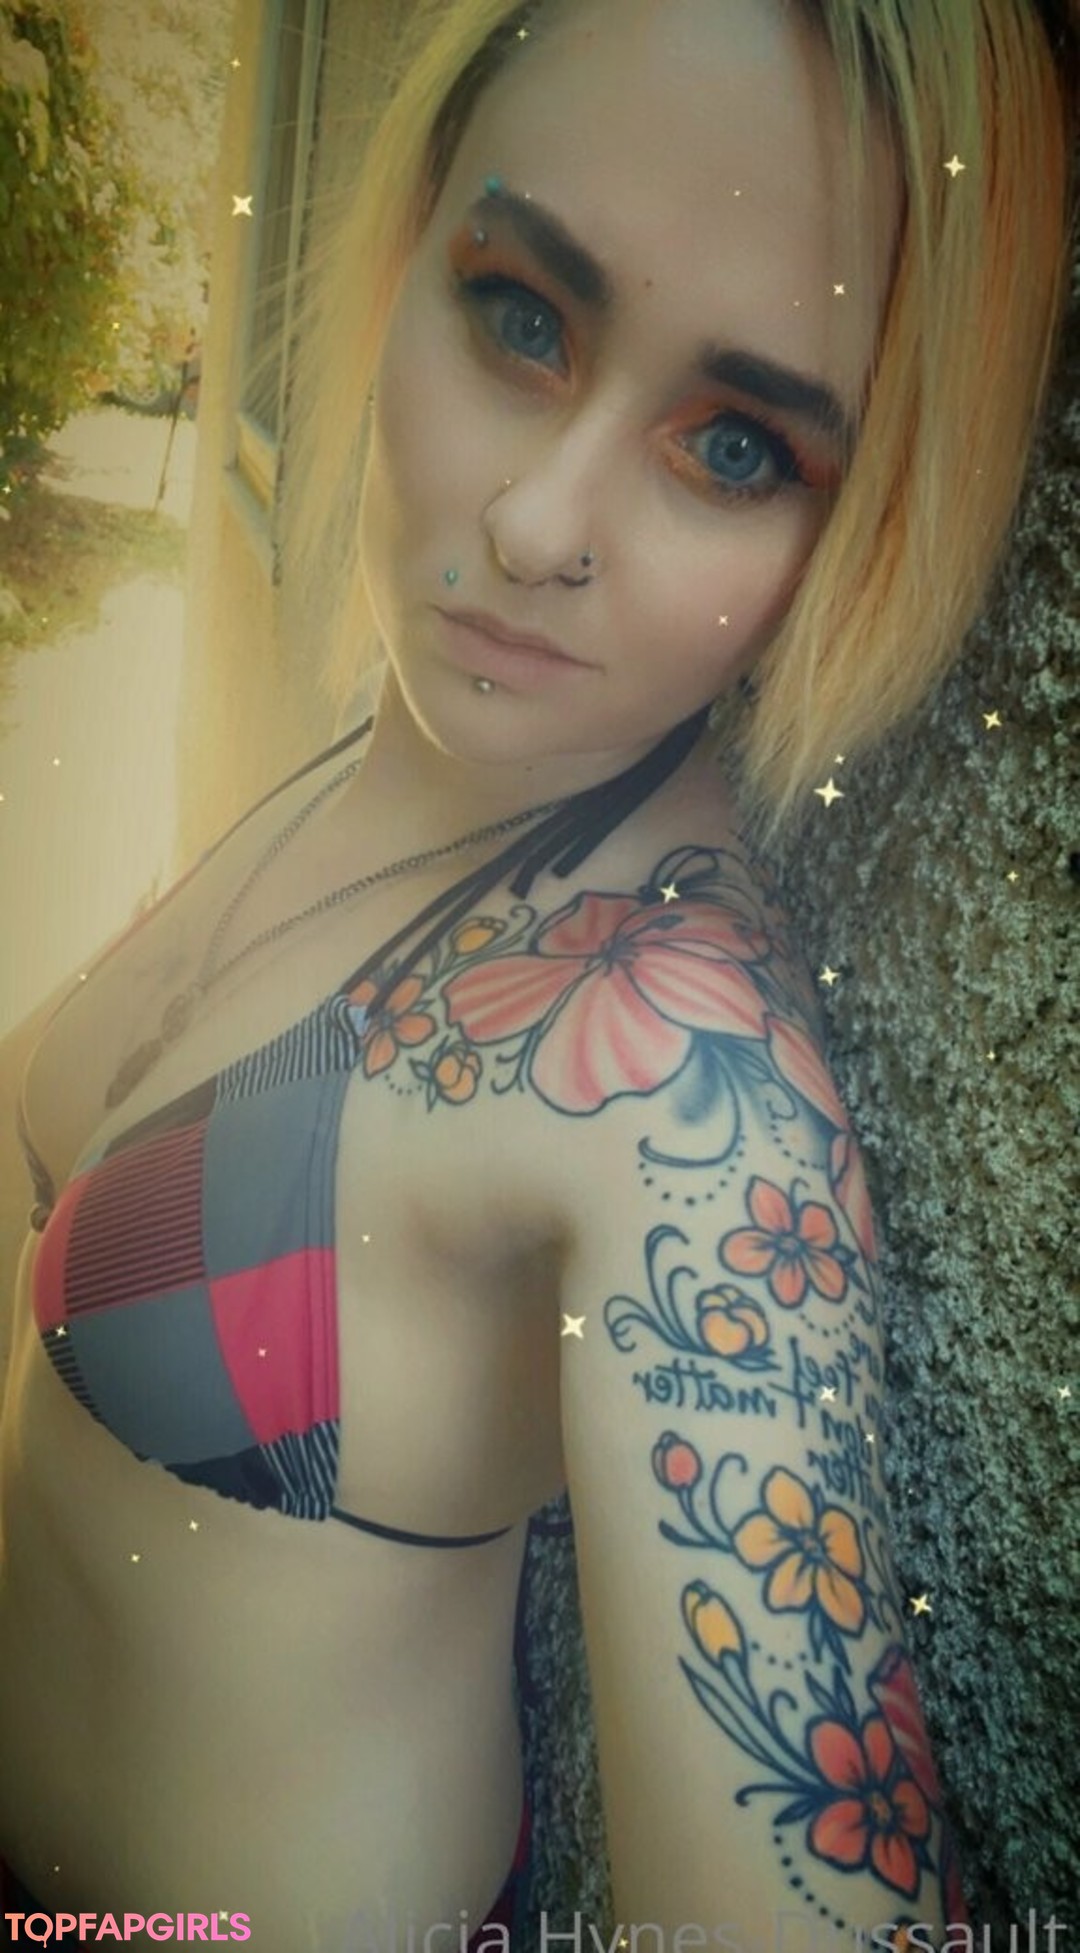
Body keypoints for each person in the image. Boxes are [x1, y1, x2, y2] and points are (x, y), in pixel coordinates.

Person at [0, 1, 1074, 1948]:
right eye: (518, 315)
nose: (531, 525)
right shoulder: (409, 734)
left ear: (856, 524)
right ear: (412, 236)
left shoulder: (680, 1071)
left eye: (733, 446)